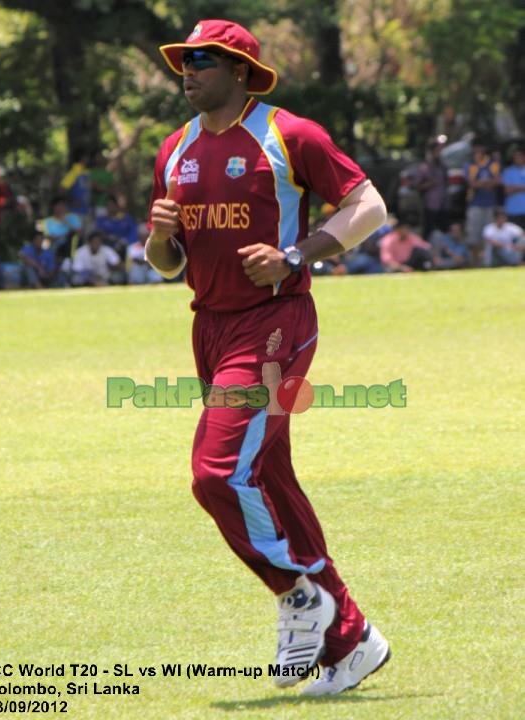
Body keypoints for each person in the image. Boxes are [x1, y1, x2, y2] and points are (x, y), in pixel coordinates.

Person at [146, 19, 391, 697]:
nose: (186, 71)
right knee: (269, 477)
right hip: (210, 330)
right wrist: (162, 238)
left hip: (274, 325)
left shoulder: (290, 134)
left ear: (239, 68)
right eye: (183, 61)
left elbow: (368, 205)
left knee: (216, 473)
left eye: (201, 60)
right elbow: (166, 262)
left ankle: (300, 593)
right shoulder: (174, 150)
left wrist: (295, 254)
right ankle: (351, 641)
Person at [463, 141, 501, 267]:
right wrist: (485, 183)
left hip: (489, 204)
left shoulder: (492, 164)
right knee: (474, 236)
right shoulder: (470, 165)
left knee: (488, 235)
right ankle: (475, 263)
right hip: (475, 204)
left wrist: (482, 183)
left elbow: (497, 180)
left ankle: (487, 262)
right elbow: (472, 183)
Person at [415, 138, 448, 240]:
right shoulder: (424, 167)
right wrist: (430, 184)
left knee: (442, 230)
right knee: (427, 231)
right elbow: (417, 186)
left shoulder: (443, 167)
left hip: (443, 204)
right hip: (429, 204)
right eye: (437, 150)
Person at [502, 147, 525, 229]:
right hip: (513, 211)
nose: (517, 159)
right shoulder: (508, 171)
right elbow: (507, 190)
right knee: (515, 238)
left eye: (520, 156)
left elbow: (511, 188)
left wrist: (515, 187)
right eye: (515, 157)